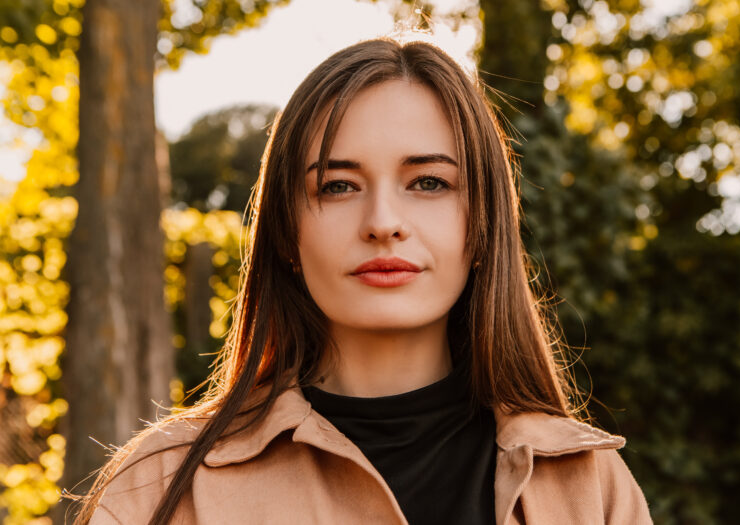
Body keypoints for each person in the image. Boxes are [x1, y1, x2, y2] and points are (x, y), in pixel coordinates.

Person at [69, 37, 652, 524]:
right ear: (285, 234)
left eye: (428, 182)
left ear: (483, 226)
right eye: (337, 186)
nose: (383, 224)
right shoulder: (163, 487)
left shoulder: (589, 486)